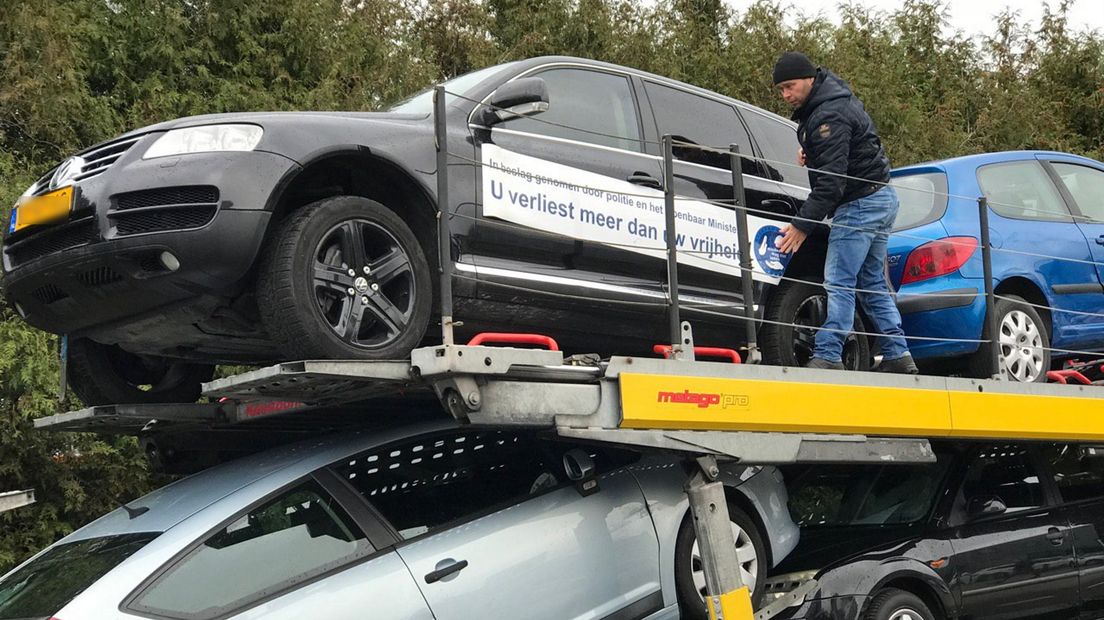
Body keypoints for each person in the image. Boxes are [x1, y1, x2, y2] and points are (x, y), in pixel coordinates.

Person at [771, 52, 917, 374]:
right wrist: (813, 149)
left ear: (809, 79)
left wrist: (801, 225)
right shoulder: (831, 101)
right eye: (781, 89)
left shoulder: (828, 115)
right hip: (881, 198)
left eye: (790, 86)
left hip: (859, 204)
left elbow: (833, 185)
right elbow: (847, 151)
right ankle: (898, 355)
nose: (786, 95)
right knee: (870, 283)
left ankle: (828, 353)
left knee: (839, 281)